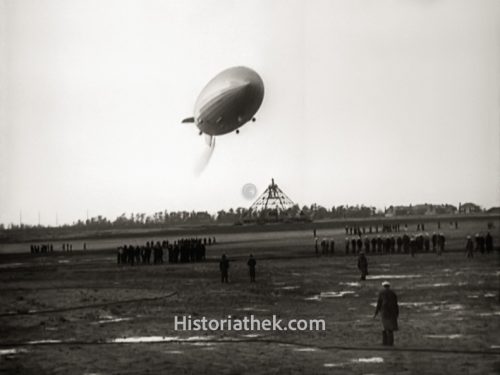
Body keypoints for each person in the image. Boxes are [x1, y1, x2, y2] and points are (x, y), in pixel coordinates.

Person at [374, 281, 399, 346]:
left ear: (383, 286)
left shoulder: (382, 293)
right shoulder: (393, 293)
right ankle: (390, 343)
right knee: (390, 328)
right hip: (392, 312)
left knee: (385, 327)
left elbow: (379, 303)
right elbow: (396, 304)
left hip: (384, 311)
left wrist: (376, 312)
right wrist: (397, 313)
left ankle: (385, 342)